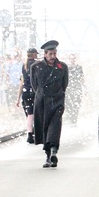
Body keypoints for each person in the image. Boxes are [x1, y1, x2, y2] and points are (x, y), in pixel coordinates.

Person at [31, 40, 68, 168]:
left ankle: (53, 150)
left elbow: (64, 85)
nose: (53, 57)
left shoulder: (62, 67)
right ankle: (48, 156)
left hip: (57, 100)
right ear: (45, 54)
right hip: (42, 102)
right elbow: (35, 85)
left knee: (55, 126)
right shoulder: (36, 67)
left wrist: (56, 94)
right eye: (50, 54)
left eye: (54, 53)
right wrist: (42, 95)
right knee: (44, 127)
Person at [18, 48, 38, 143]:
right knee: (37, 113)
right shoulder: (37, 65)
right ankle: (36, 133)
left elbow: (22, 81)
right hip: (34, 91)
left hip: (26, 92)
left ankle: (30, 134)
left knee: (29, 114)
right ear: (34, 54)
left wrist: (18, 98)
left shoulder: (24, 65)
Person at [65, 53, 85, 125]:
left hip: (77, 87)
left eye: (73, 58)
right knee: (69, 104)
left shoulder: (78, 67)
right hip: (69, 88)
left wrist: (84, 87)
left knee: (77, 103)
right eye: (71, 58)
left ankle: (74, 119)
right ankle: (71, 118)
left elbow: (82, 78)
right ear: (69, 59)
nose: (72, 60)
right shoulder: (66, 68)